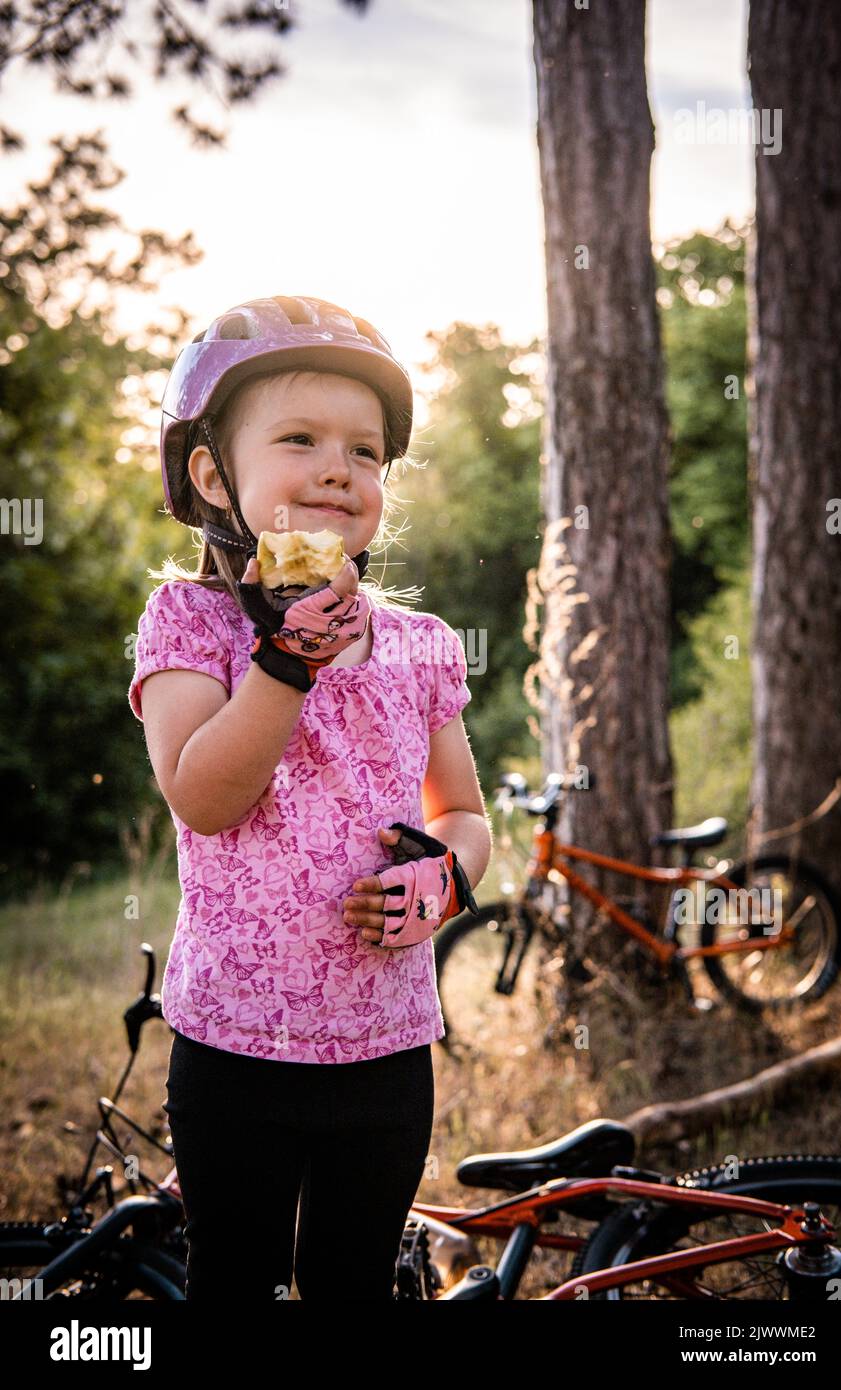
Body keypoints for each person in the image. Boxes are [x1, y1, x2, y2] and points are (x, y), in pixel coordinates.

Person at [127, 294, 492, 1302]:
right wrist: (285, 659)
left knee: (349, 1280)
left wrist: (445, 877)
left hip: (383, 1046)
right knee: (234, 1277)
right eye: (299, 438)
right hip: (234, 1046)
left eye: (365, 451)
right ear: (212, 473)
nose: (339, 467)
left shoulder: (419, 645)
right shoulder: (191, 625)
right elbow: (203, 796)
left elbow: (462, 810)